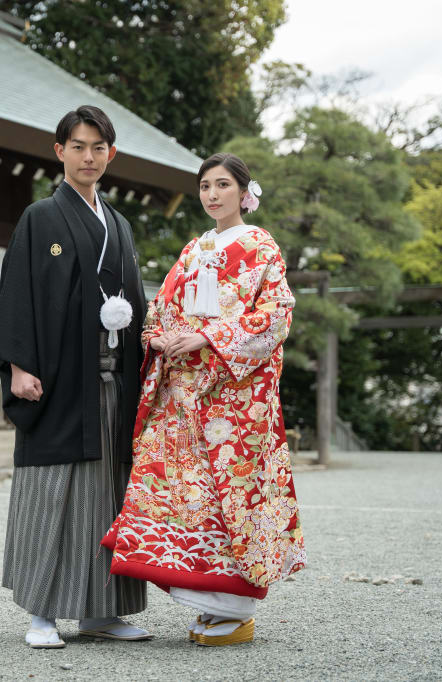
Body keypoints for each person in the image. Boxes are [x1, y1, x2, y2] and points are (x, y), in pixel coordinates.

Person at [101, 152, 306, 646]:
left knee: (228, 495)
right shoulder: (195, 249)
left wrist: (209, 339)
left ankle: (234, 611)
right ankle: (210, 604)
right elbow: (161, 310)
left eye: (222, 185)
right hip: (182, 395)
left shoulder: (260, 246)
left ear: (244, 192)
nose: (212, 195)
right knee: (180, 491)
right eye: (205, 186)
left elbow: (276, 315)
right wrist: (160, 338)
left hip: (233, 400)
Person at [0, 106, 149, 649]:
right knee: (51, 490)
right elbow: (19, 292)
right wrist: (18, 364)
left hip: (109, 383)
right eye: (78, 146)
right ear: (60, 152)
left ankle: (104, 611)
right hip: (57, 380)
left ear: (111, 155)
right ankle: (43, 614)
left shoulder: (119, 225)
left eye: (98, 148)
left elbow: (138, 304)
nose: (88, 157)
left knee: (108, 495)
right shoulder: (40, 218)